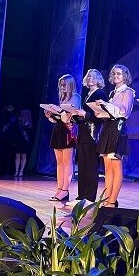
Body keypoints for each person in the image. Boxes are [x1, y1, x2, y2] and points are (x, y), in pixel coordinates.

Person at [95, 65, 134, 208]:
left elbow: (123, 112)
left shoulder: (128, 92)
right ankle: (107, 199)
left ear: (125, 76)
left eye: (119, 74)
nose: (116, 76)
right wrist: (100, 112)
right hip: (108, 128)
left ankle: (112, 201)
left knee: (116, 166)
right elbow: (109, 113)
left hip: (118, 129)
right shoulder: (112, 93)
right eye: (114, 74)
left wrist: (106, 105)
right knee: (107, 167)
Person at [66, 69, 108, 203]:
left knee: (91, 166)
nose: (90, 78)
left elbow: (103, 116)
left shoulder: (100, 94)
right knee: (83, 166)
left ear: (98, 80)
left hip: (93, 134)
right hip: (84, 133)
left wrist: (85, 114)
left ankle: (90, 196)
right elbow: (84, 116)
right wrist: (75, 116)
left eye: (93, 77)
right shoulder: (87, 95)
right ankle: (81, 195)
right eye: (88, 76)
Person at [44, 74, 80, 202]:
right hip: (59, 129)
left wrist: (59, 111)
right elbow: (60, 119)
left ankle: (65, 190)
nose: (63, 87)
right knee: (59, 162)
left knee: (67, 162)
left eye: (65, 84)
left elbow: (69, 117)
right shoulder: (62, 98)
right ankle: (59, 188)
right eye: (61, 85)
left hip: (68, 131)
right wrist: (50, 116)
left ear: (70, 84)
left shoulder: (76, 97)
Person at [12, 109, 33, 177]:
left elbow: (30, 135)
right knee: (17, 156)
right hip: (18, 141)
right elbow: (15, 132)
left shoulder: (29, 123)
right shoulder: (18, 122)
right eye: (22, 113)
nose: (23, 115)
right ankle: (16, 171)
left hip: (25, 142)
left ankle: (21, 171)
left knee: (24, 156)